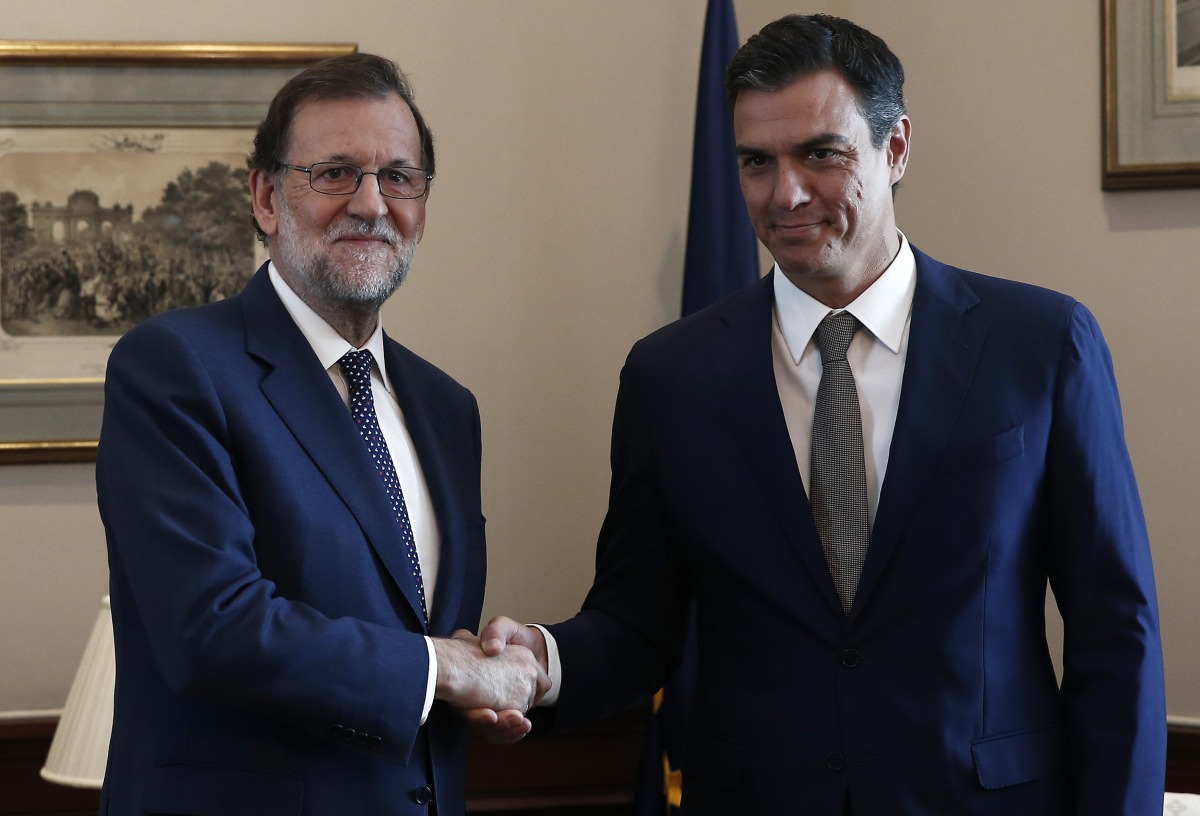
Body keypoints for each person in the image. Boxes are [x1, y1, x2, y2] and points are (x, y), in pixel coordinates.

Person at [474, 14, 1167, 815]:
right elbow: (638, 624)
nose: (786, 194)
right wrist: (543, 659)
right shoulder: (671, 377)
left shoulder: (1041, 346)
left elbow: (1116, 630)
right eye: (756, 162)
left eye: (820, 155)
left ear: (896, 147)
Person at [96, 53, 547, 816]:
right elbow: (215, 628)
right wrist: (445, 670)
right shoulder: (176, 366)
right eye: (336, 173)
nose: (371, 204)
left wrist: (482, 673)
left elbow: (406, 627)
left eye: (399, 177)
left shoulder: (447, 408)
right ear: (267, 197)